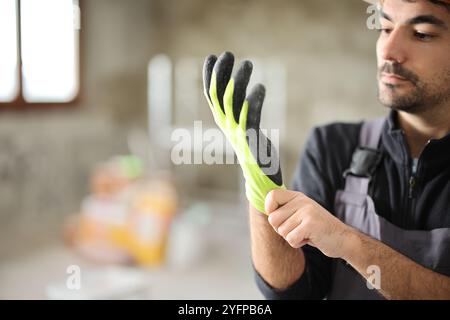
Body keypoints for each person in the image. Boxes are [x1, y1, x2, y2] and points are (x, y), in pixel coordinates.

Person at [202, 0, 450, 300]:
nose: (388, 51)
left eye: (422, 33)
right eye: (385, 27)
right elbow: (294, 293)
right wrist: (259, 186)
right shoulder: (331, 147)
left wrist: (347, 241)